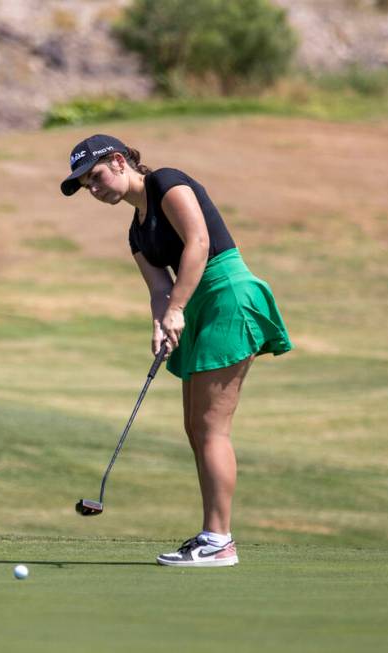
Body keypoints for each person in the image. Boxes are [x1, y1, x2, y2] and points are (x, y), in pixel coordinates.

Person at [60, 134, 293, 567]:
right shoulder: (136, 233)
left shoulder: (167, 183)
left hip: (228, 296)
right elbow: (159, 289)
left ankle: (219, 540)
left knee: (211, 427)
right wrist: (161, 322)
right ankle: (213, 534)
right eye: (85, 186)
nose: (93, 190)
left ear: (118, 160)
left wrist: (178, 309)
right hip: (198, 307)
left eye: (94, 178)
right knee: (195, 427)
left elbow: (199, 243)